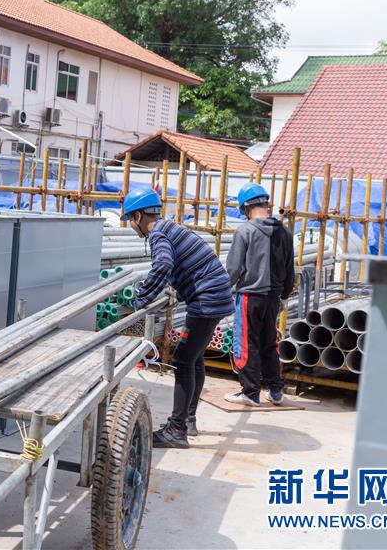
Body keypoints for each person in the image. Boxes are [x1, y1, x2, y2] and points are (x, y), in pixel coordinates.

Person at [124, 187, 234, 449]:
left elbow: (162, 265)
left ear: (138, 216)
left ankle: (177, 430)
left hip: (207, 300)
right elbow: (183, 265)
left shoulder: (158, 234)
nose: (130, 225)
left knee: (183, 360)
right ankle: (188, 420)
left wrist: (142, 299)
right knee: (193, 359)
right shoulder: (170, 228)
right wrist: (176, 288)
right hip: (214, 297)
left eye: (130, 219)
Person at [225, 182, 295, 407]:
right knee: (269, 342)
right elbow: (289, 268)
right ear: (266, 204)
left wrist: (225, 288)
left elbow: (234, 268)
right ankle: (275, 391)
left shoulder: (245, 231)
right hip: (273, 298)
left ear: (246, 208)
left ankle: (250, 392)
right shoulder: (284, 232)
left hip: (249, 296)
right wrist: (283, 295)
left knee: (246, 343)